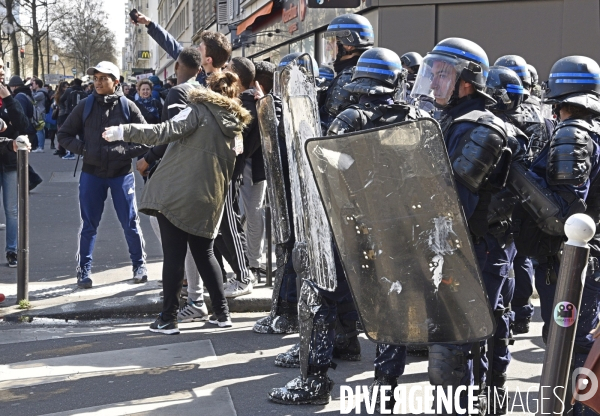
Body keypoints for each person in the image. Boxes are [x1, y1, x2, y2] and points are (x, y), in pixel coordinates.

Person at [269, 48, 431, 407]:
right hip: (399, 227)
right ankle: (384, 388)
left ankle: (314, 381)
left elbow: (327, 173)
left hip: (355, 226)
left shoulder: (350, 118)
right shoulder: (416, 117)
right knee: (393, 304)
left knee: (320, 294)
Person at [410, 37, 513, 413]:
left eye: (442, 74)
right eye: (432, 73)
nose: (434, 82)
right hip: (454, 247)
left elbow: (455, 203)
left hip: (473, 247)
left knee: (454, 347)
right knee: (459, 343)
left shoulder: (479, 128)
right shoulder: (449, 120)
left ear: (466, 81)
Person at [103, 71, 252, 333]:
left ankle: (168, 318)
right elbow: (237, 162)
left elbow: (163, 131)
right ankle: (221, 313)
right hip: (210, 195)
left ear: (208, 89)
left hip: (178, 192)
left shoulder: (197, 110)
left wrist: (122, 131)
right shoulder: (236, 125)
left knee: (174, 255)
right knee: (205, 253)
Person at [507, 56, 600, 416]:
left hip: (571, 261)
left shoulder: (573, 132)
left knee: (571, 346)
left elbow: (562, 214)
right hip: (582, 259)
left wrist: (518, 175)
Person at [57, 61, 149, 289]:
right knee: (89, 224)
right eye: (95, 78)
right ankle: (84, 271)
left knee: (130, 222)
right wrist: (85, 150)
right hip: (92, 174)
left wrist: (125, 152)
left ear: (115, 82)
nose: (97, 82)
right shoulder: (85, 105)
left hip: (121, 173)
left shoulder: (128, 106)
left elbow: (148, 138)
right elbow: (64, 135)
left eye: (103, 78)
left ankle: (139, 265)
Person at [136, 47, 210, 323]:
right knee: (193, 241)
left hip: (179, 172)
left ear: (177, 65)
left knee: (176, 238)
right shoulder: (201, 90)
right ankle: (195, 297)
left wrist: (148, 158)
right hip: (200, 170)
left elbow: (175, 133)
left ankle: (193, 297)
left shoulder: (179, 92)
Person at [220, 56, 259, 298]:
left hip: (230, 171)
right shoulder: (242, 102)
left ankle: (244, 275)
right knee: (221, 227)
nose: (223, 73)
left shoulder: (247, 106)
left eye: (227, 70)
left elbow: (239, 142)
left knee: (230, 224)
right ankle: (238, 273)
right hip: (225, 170)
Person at [319, 13, 374, 133]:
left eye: (331, 42)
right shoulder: (368, 71)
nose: (328, 48)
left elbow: (327, 127)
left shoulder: (348, 77)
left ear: (348, 44)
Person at [0, 60, 30, 268]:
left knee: (12, 210)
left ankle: (12, 251)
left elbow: (23, 126)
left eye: (2, 67)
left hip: (9, 161)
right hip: (7, 151)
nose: (1, 71)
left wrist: (8, 98)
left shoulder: (9, 96)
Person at [60, 79, 86, 160]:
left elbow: (61, 100)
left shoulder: (69, 91)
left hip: (71, 113)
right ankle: (84, 152)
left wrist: (65, 109)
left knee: (71, 134)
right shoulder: (84, 92)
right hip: (82, 115)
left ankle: (71, 153)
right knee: (82, 134)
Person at [30, 78, 48, 152]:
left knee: (39, 130)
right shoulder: (41, 92)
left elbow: (32, 99)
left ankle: (40, 147)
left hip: (40, 113)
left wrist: (31, 91)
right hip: (40, 112)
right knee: (40, 130)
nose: (32, 85)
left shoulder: (40, 93)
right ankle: (40, 146)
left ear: (37, 85)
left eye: (33, 84)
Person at [53, 81, 69, 156]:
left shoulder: (58, 94)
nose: (67, 88)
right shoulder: (64, 96)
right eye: (66, 87)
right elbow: (66, 106)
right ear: (62, 88)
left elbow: (55, 104)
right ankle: (62, 149)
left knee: (60, 132)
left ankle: (60, 149)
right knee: (63, 132)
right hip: (64, 115)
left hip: (60, 115)